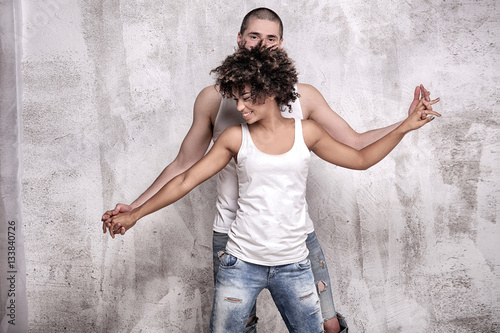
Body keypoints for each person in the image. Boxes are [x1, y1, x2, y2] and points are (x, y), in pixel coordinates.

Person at [101, 7, 439, 333]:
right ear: (239, 39)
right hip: (234, 238)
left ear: (281, 45)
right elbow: (184, 167)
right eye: (254, 36)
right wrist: (136, 208)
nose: (262, 44)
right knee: (241, 324)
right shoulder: (216, 103)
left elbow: (355, 145)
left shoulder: (303, 100)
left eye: (271, 38)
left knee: (327, 323)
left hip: (293, 236)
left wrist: (405, 123)